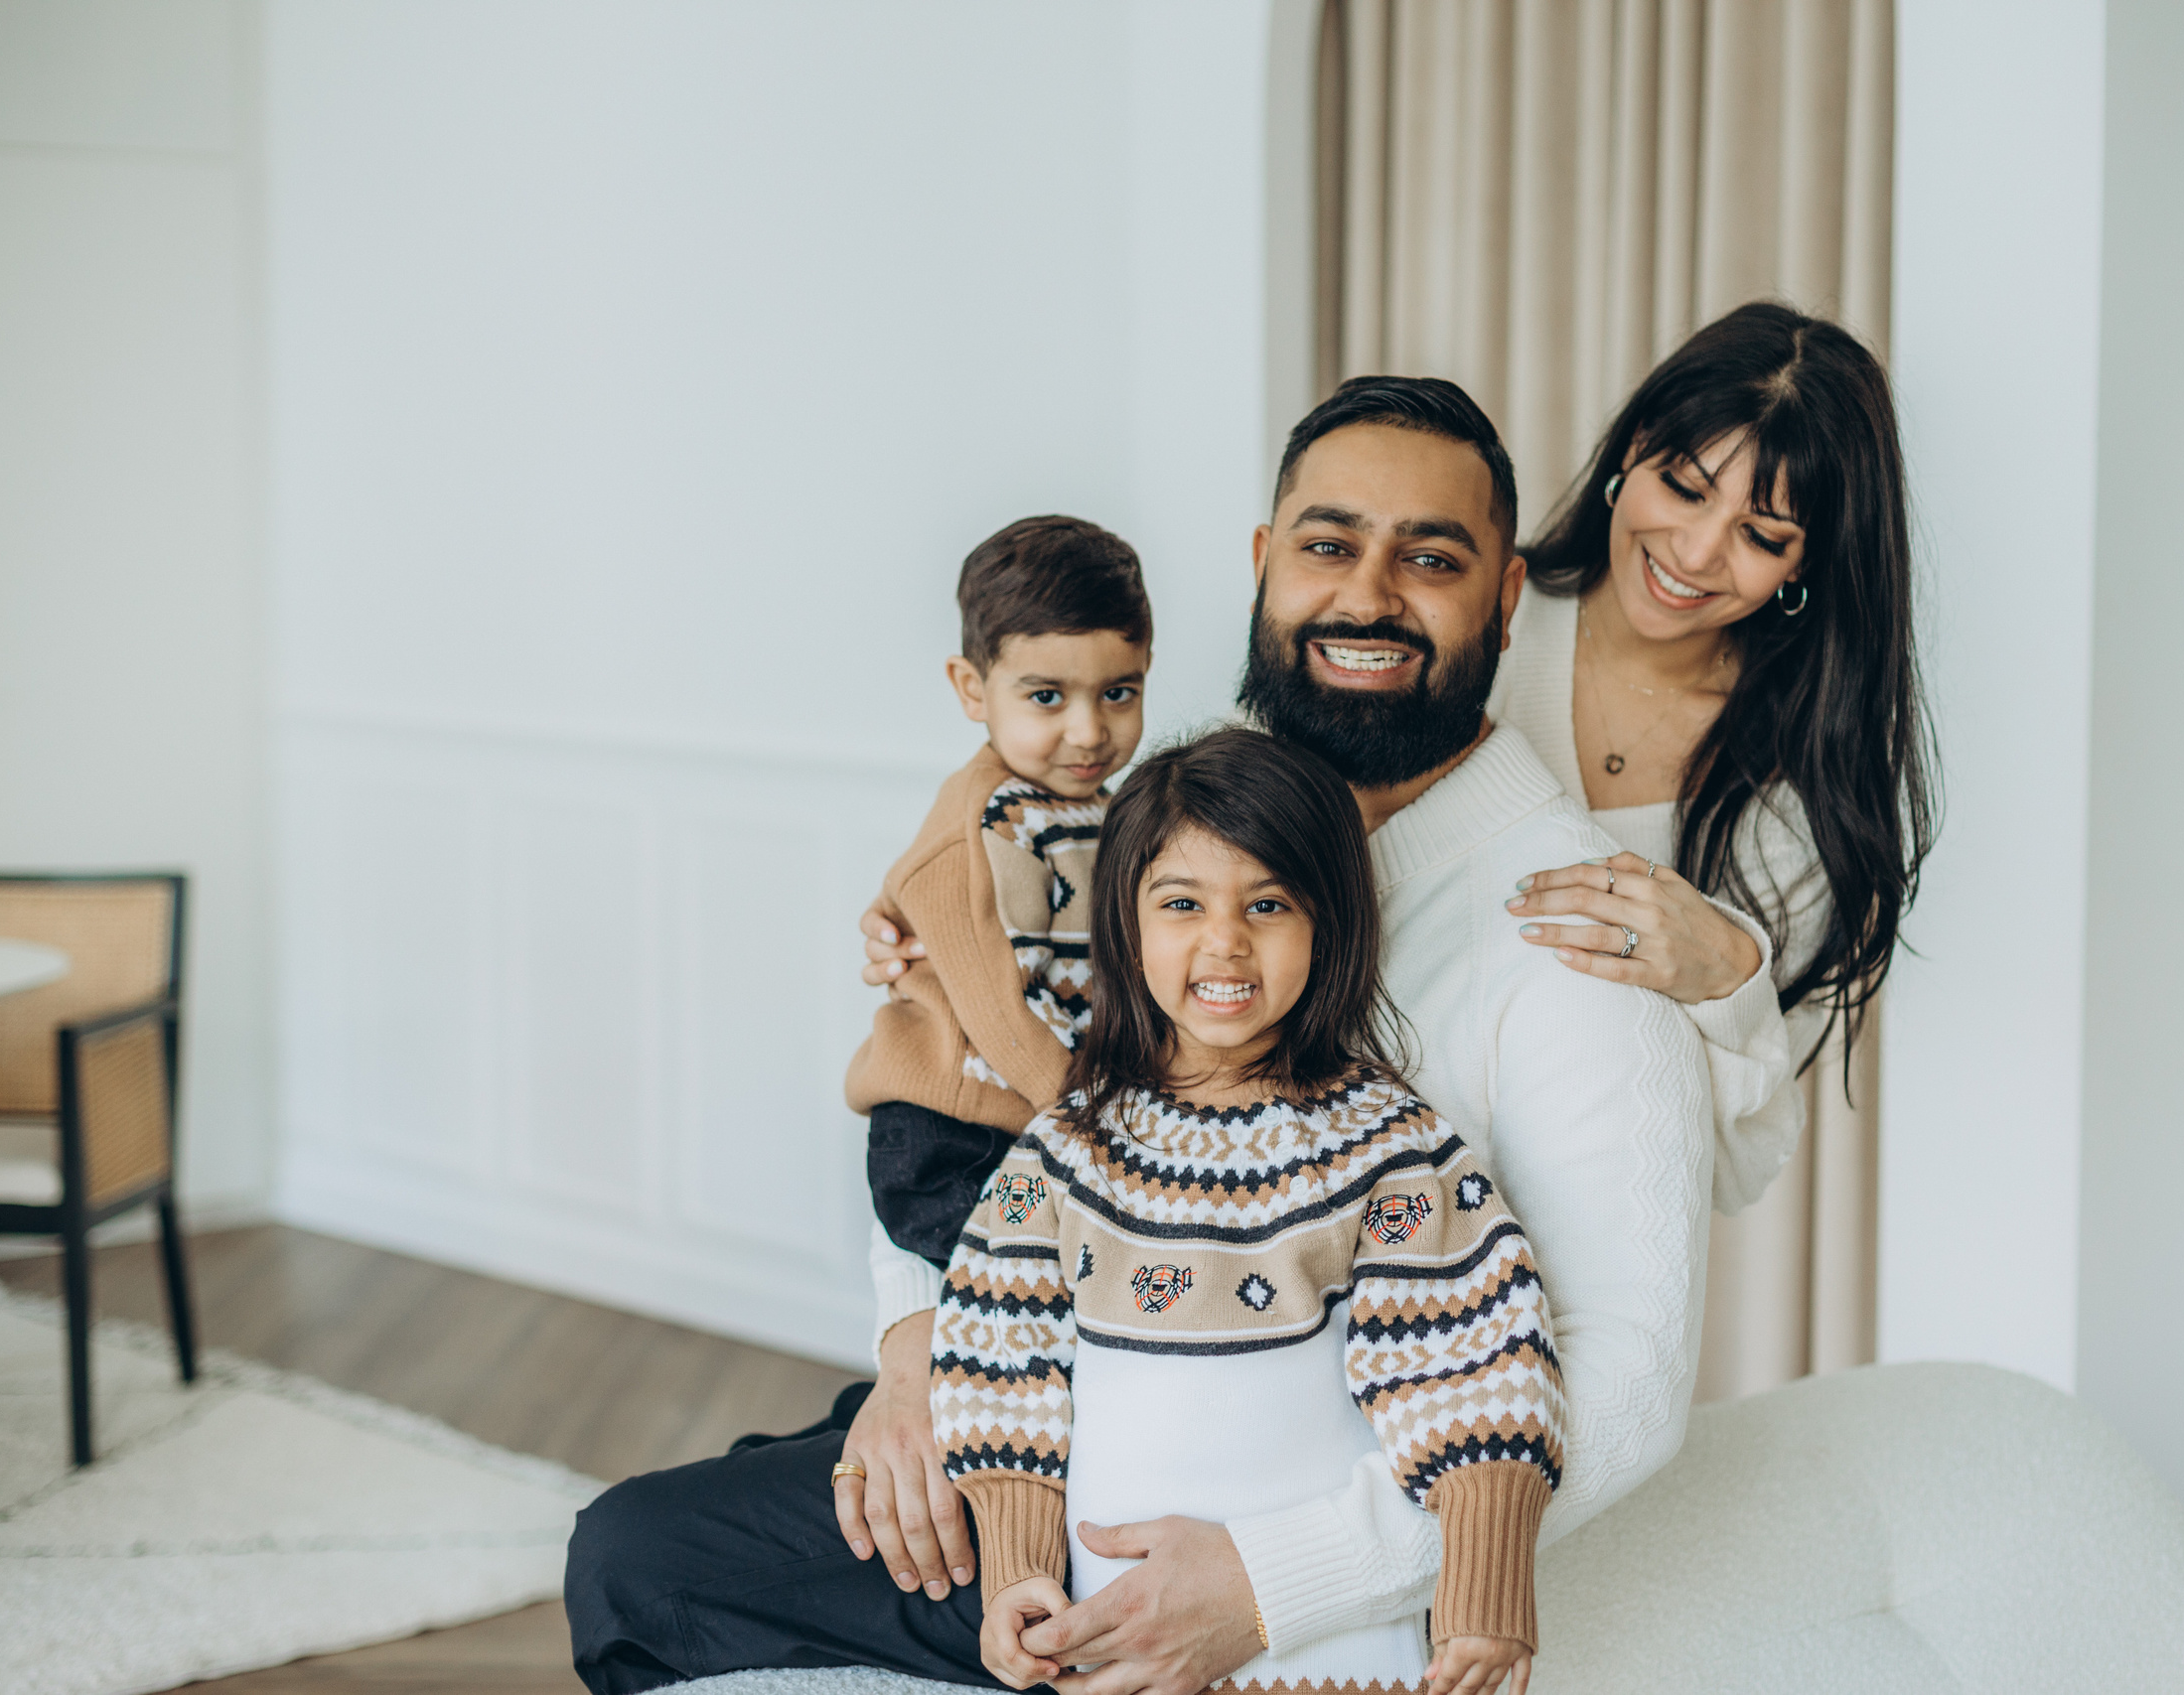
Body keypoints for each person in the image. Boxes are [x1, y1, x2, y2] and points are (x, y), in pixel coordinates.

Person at [566, 377, 1786, 1694]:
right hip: (1043, 1393)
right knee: (655, 1538)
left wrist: (1270, 1578)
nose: (1368, 593)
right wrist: (918, 1347)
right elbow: (978, 1100)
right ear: (1266, 565)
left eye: (1431, 558)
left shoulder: (1580, 937)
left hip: (1264, 1524)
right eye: (1328, 543)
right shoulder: (1159, 820)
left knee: (646, 1562)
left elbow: (1628, 1380)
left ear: (1502, 599)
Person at [938, 727, 1560, 1695]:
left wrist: (1485, 1594)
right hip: (1114, 1640)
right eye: (1181, 904)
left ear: (1330, 924)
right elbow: (999, 1363)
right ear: (1126, 926)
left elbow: (1477, 1372)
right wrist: (1017, 1567)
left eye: (1267, 904)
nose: (1223, 941)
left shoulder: (1385, 1151)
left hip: (1333, 1655)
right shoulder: (1068, 1152)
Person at [1494, 302, 1934, 1242]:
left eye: (1762, 535)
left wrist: (1730, 976)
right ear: (1636, 447)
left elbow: (1734, 1170)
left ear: (1805, 567)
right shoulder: (1475, 627)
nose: (1696, 553)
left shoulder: (1797, 807)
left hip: (1602, 1258)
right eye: (1685, 487)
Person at [844, 515, 1150, 1304]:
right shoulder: (991, 819)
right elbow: (1004, 1007)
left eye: (1119, 692)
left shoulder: (1103, 808)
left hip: (1040, 1112)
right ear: (972, 688)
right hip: (953, 1130)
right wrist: (1098, 1125)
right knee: (1029, 1310)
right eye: (1046, 696)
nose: (1089, 730)